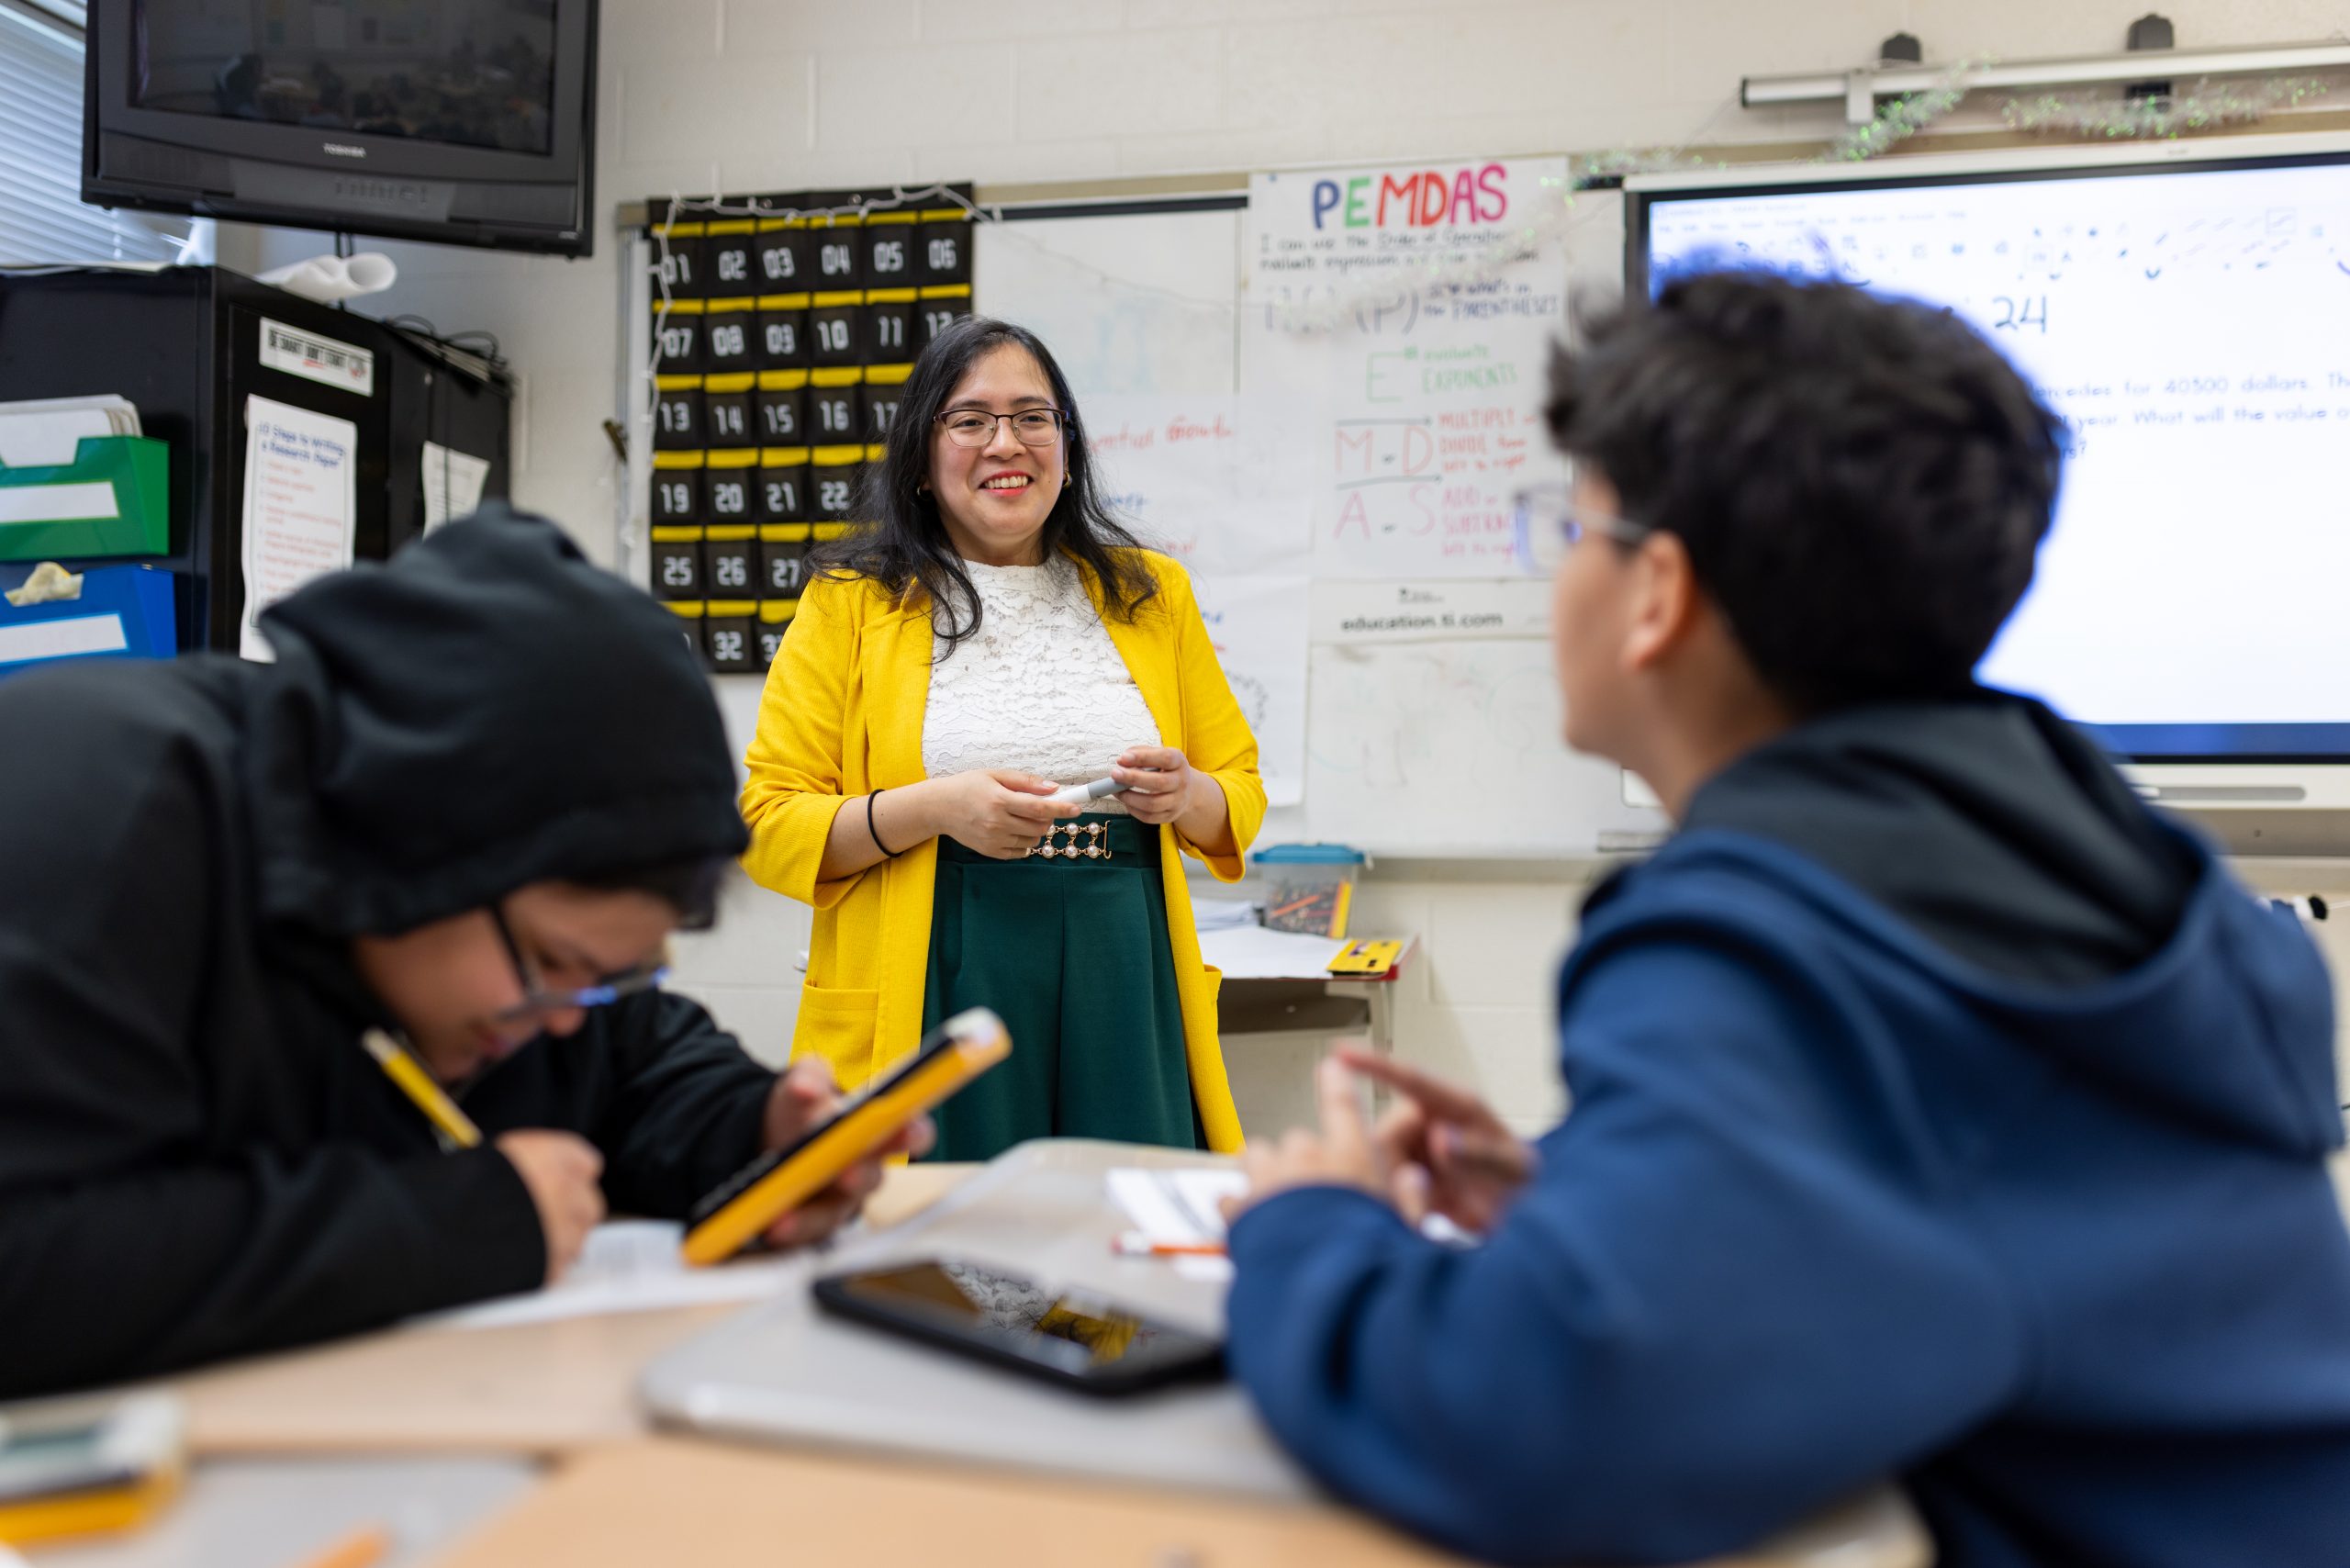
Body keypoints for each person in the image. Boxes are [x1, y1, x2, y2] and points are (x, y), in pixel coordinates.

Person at [1219, 273, 2350, 1567]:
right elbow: (1965, 1218)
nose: (1556, 580)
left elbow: (1536, 1429)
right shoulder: (2079, 840)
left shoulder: (1768, 930)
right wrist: (1595, 1197)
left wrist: (1312, 1230)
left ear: (1658, 593)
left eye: (1571, 530)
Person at [0, 508, 924, 1401]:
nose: (566, 1016)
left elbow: (631, 1058)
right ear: (420, 851)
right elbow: (30, 1259)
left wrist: (756, 1134)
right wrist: (459, 1226)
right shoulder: (100, 826)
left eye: (611, 976)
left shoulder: (517, 946)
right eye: (556, 963)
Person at [741, 317, 1265, 1159]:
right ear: (920, 455)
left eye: (1033, 416)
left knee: (1120, 1235)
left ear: (1066, 445)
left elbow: (1236, 791)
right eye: (970, 419)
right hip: (944, 961)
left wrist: (1188, 795)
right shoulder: (851, 602)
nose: (1005, 442)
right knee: (954, 1249)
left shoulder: (1150, 593)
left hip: (1127, 961)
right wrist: (936, 809)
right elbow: (768, 822)